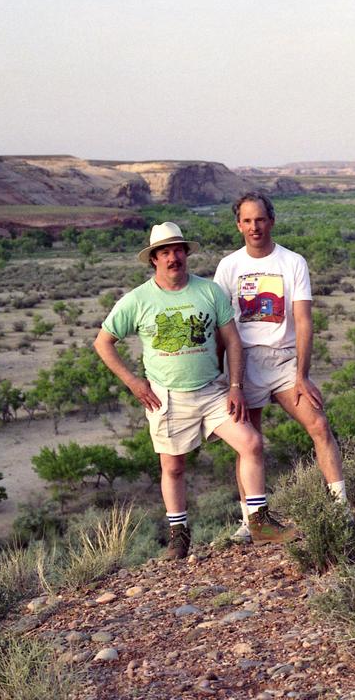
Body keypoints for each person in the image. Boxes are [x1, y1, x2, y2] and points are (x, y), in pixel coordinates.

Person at [94, 221, 295, 560]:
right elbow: (103, 343)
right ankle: (179, 538)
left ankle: (258, 522)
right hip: (168, 397)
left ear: (186, 254)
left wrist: (235, 387)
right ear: (154, 260)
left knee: (251, 442)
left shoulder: (209, 291)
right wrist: (134, 382)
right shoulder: (137, 300)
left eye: (177, 250)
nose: (173, 257)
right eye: (165, 252)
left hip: (214, 391)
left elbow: (232, 339)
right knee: (173, 468)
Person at [215, 193, 346, 542]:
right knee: (248, 442)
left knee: (319, 423)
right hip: (244, 364)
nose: (254, 227)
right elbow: (220, 326)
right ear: (238, 224)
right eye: (247, 220)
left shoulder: (292, 262)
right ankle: (252, 521)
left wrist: (302, 375)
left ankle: (340, 507)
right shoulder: (229, 267)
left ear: (271, 220)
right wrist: (226, 379)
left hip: (285, 359)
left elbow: (303, 320)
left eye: (260, 219)